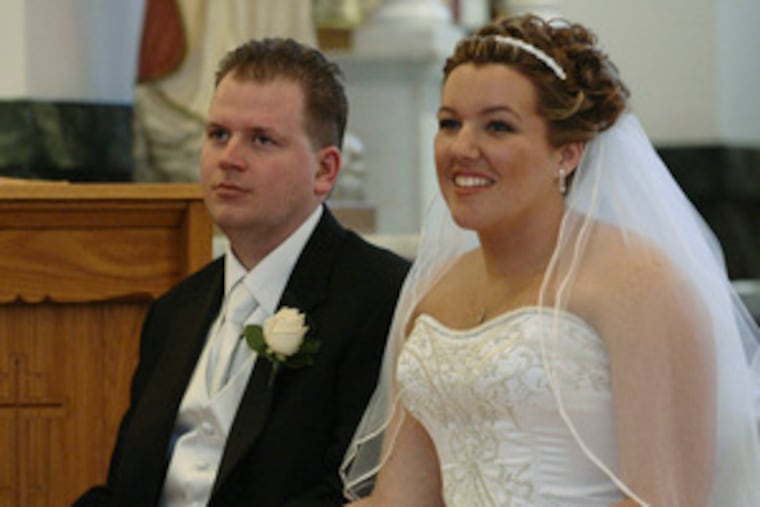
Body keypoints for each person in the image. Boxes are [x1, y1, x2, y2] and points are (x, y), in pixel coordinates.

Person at [341, 14, 760, 507]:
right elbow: (401, 498)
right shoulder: (433, 291)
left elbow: (663, 498)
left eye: (498, 126)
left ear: (566, 153)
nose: (462, 147)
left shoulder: (639, 283)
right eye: (449, 123)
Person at [73, 37, 410, 507]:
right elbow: (128, 487)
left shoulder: (382, 299)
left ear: (324, 171)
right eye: (218, 134)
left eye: (261, 139)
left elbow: (354, 492)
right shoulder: (175, 311)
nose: (229, 158)